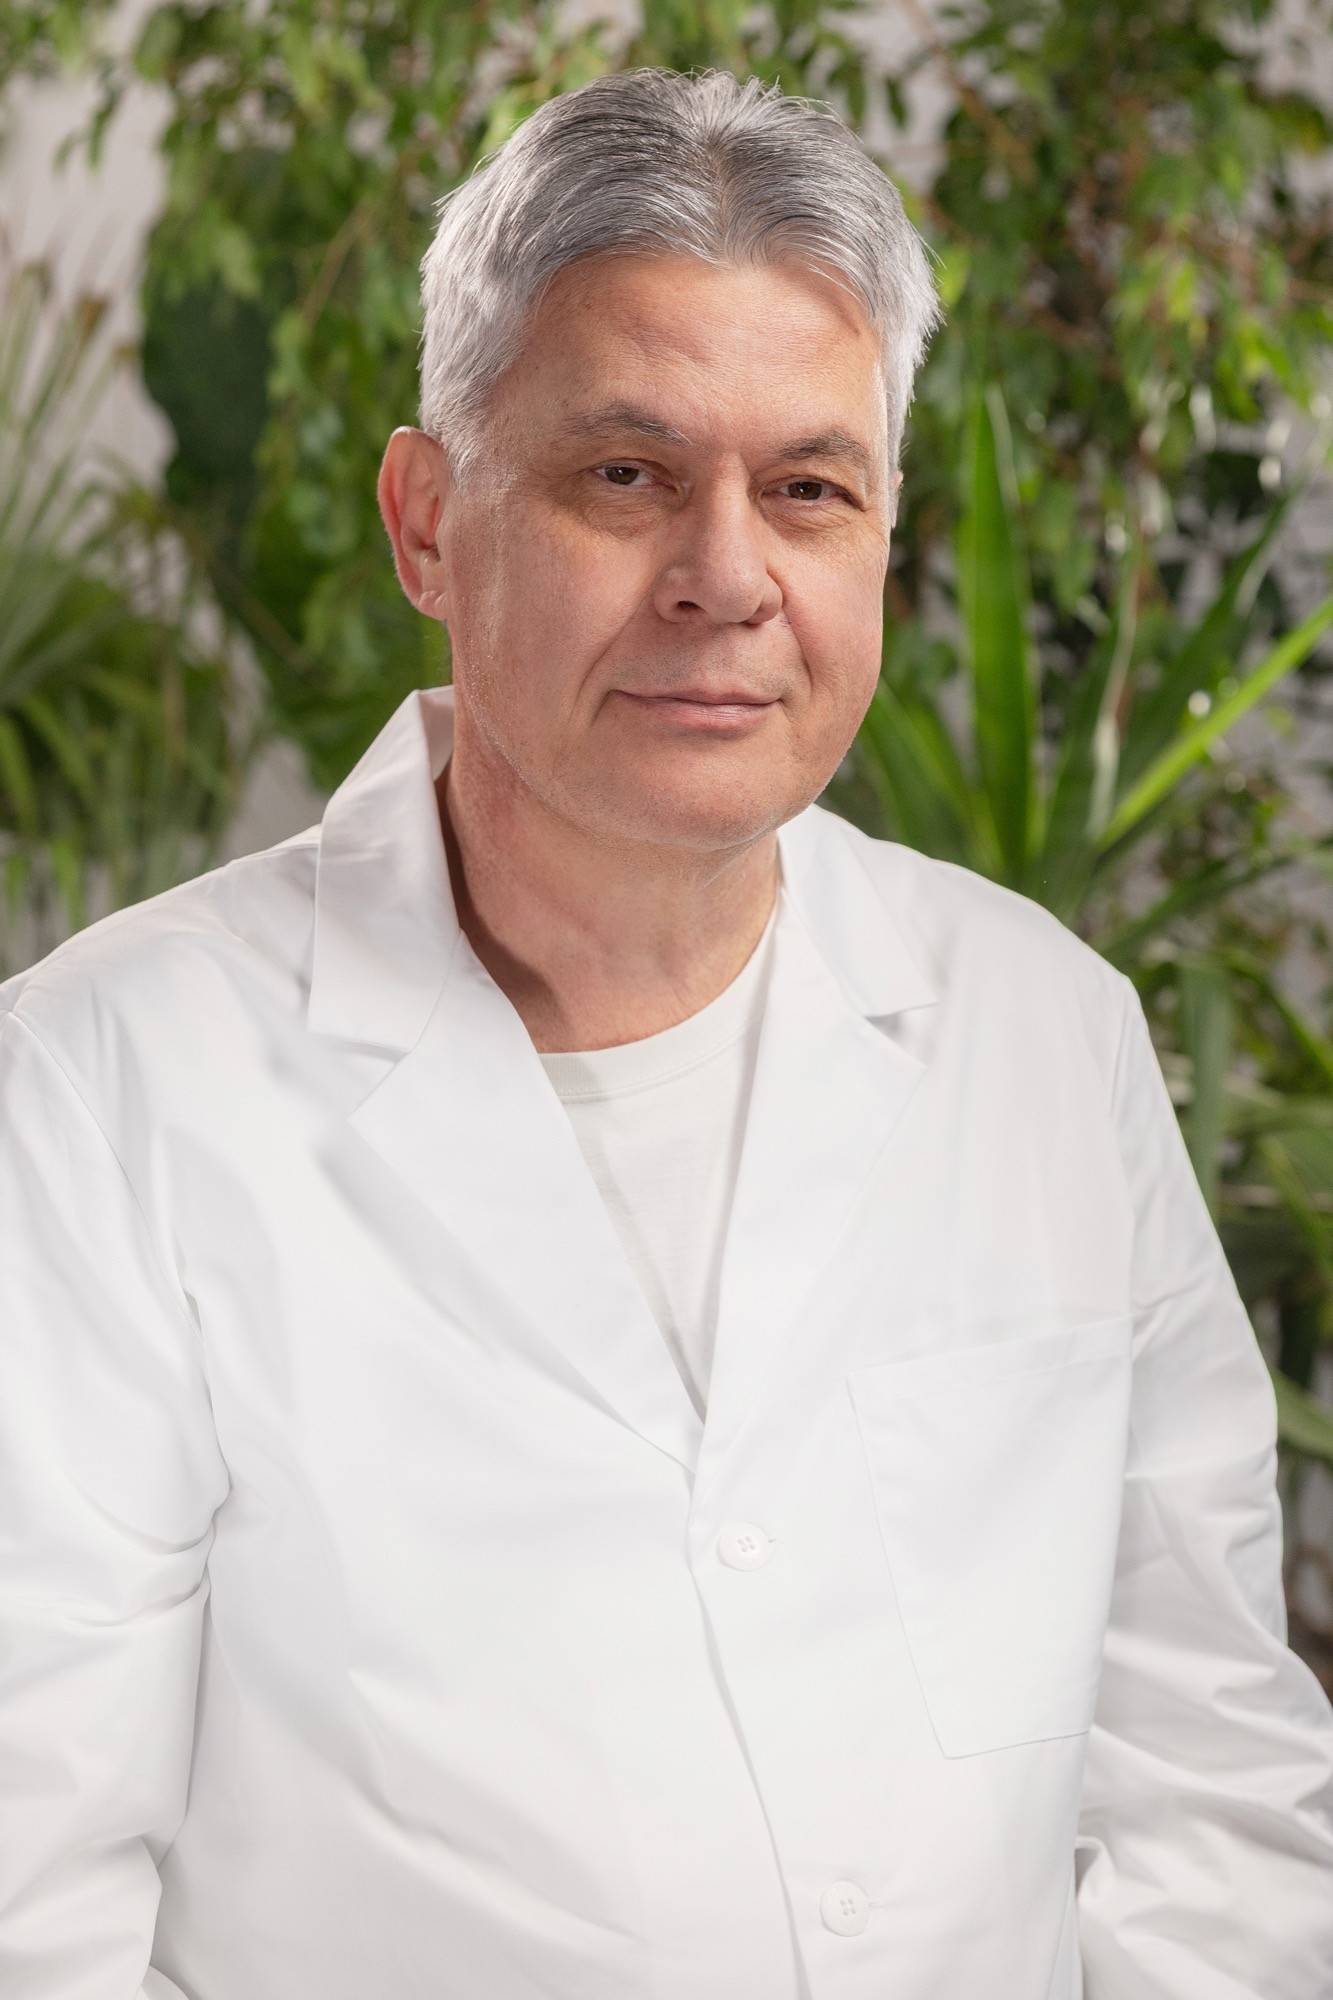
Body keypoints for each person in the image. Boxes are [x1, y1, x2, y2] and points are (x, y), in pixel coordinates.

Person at [0, 66, 1330, 2000]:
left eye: (808, 486)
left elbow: (1207, 1778)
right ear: (427, 524)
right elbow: (28, 1880)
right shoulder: (97, 1087)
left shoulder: (1044, 1031)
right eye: (624, 476)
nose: (728, 574)